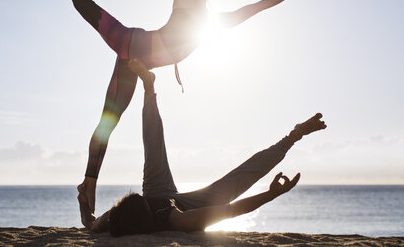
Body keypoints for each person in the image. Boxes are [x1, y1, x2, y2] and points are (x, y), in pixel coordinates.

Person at [72, 0, 322, 219]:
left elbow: (254, 8)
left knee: (108, 122)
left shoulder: (211, 22)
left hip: (134, 58)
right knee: (79, 0)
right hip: (129, 42)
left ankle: (87, 184)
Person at [79, 59, 327, 234]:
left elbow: (89, 223)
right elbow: (231, 210)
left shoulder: (115, 218)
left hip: (155, 188)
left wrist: (83, 203)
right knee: (233, 185)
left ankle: (149, 86)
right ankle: (293, 136)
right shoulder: (178, 220)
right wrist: (272, 194)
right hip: (188, 206)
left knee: (153, 143)